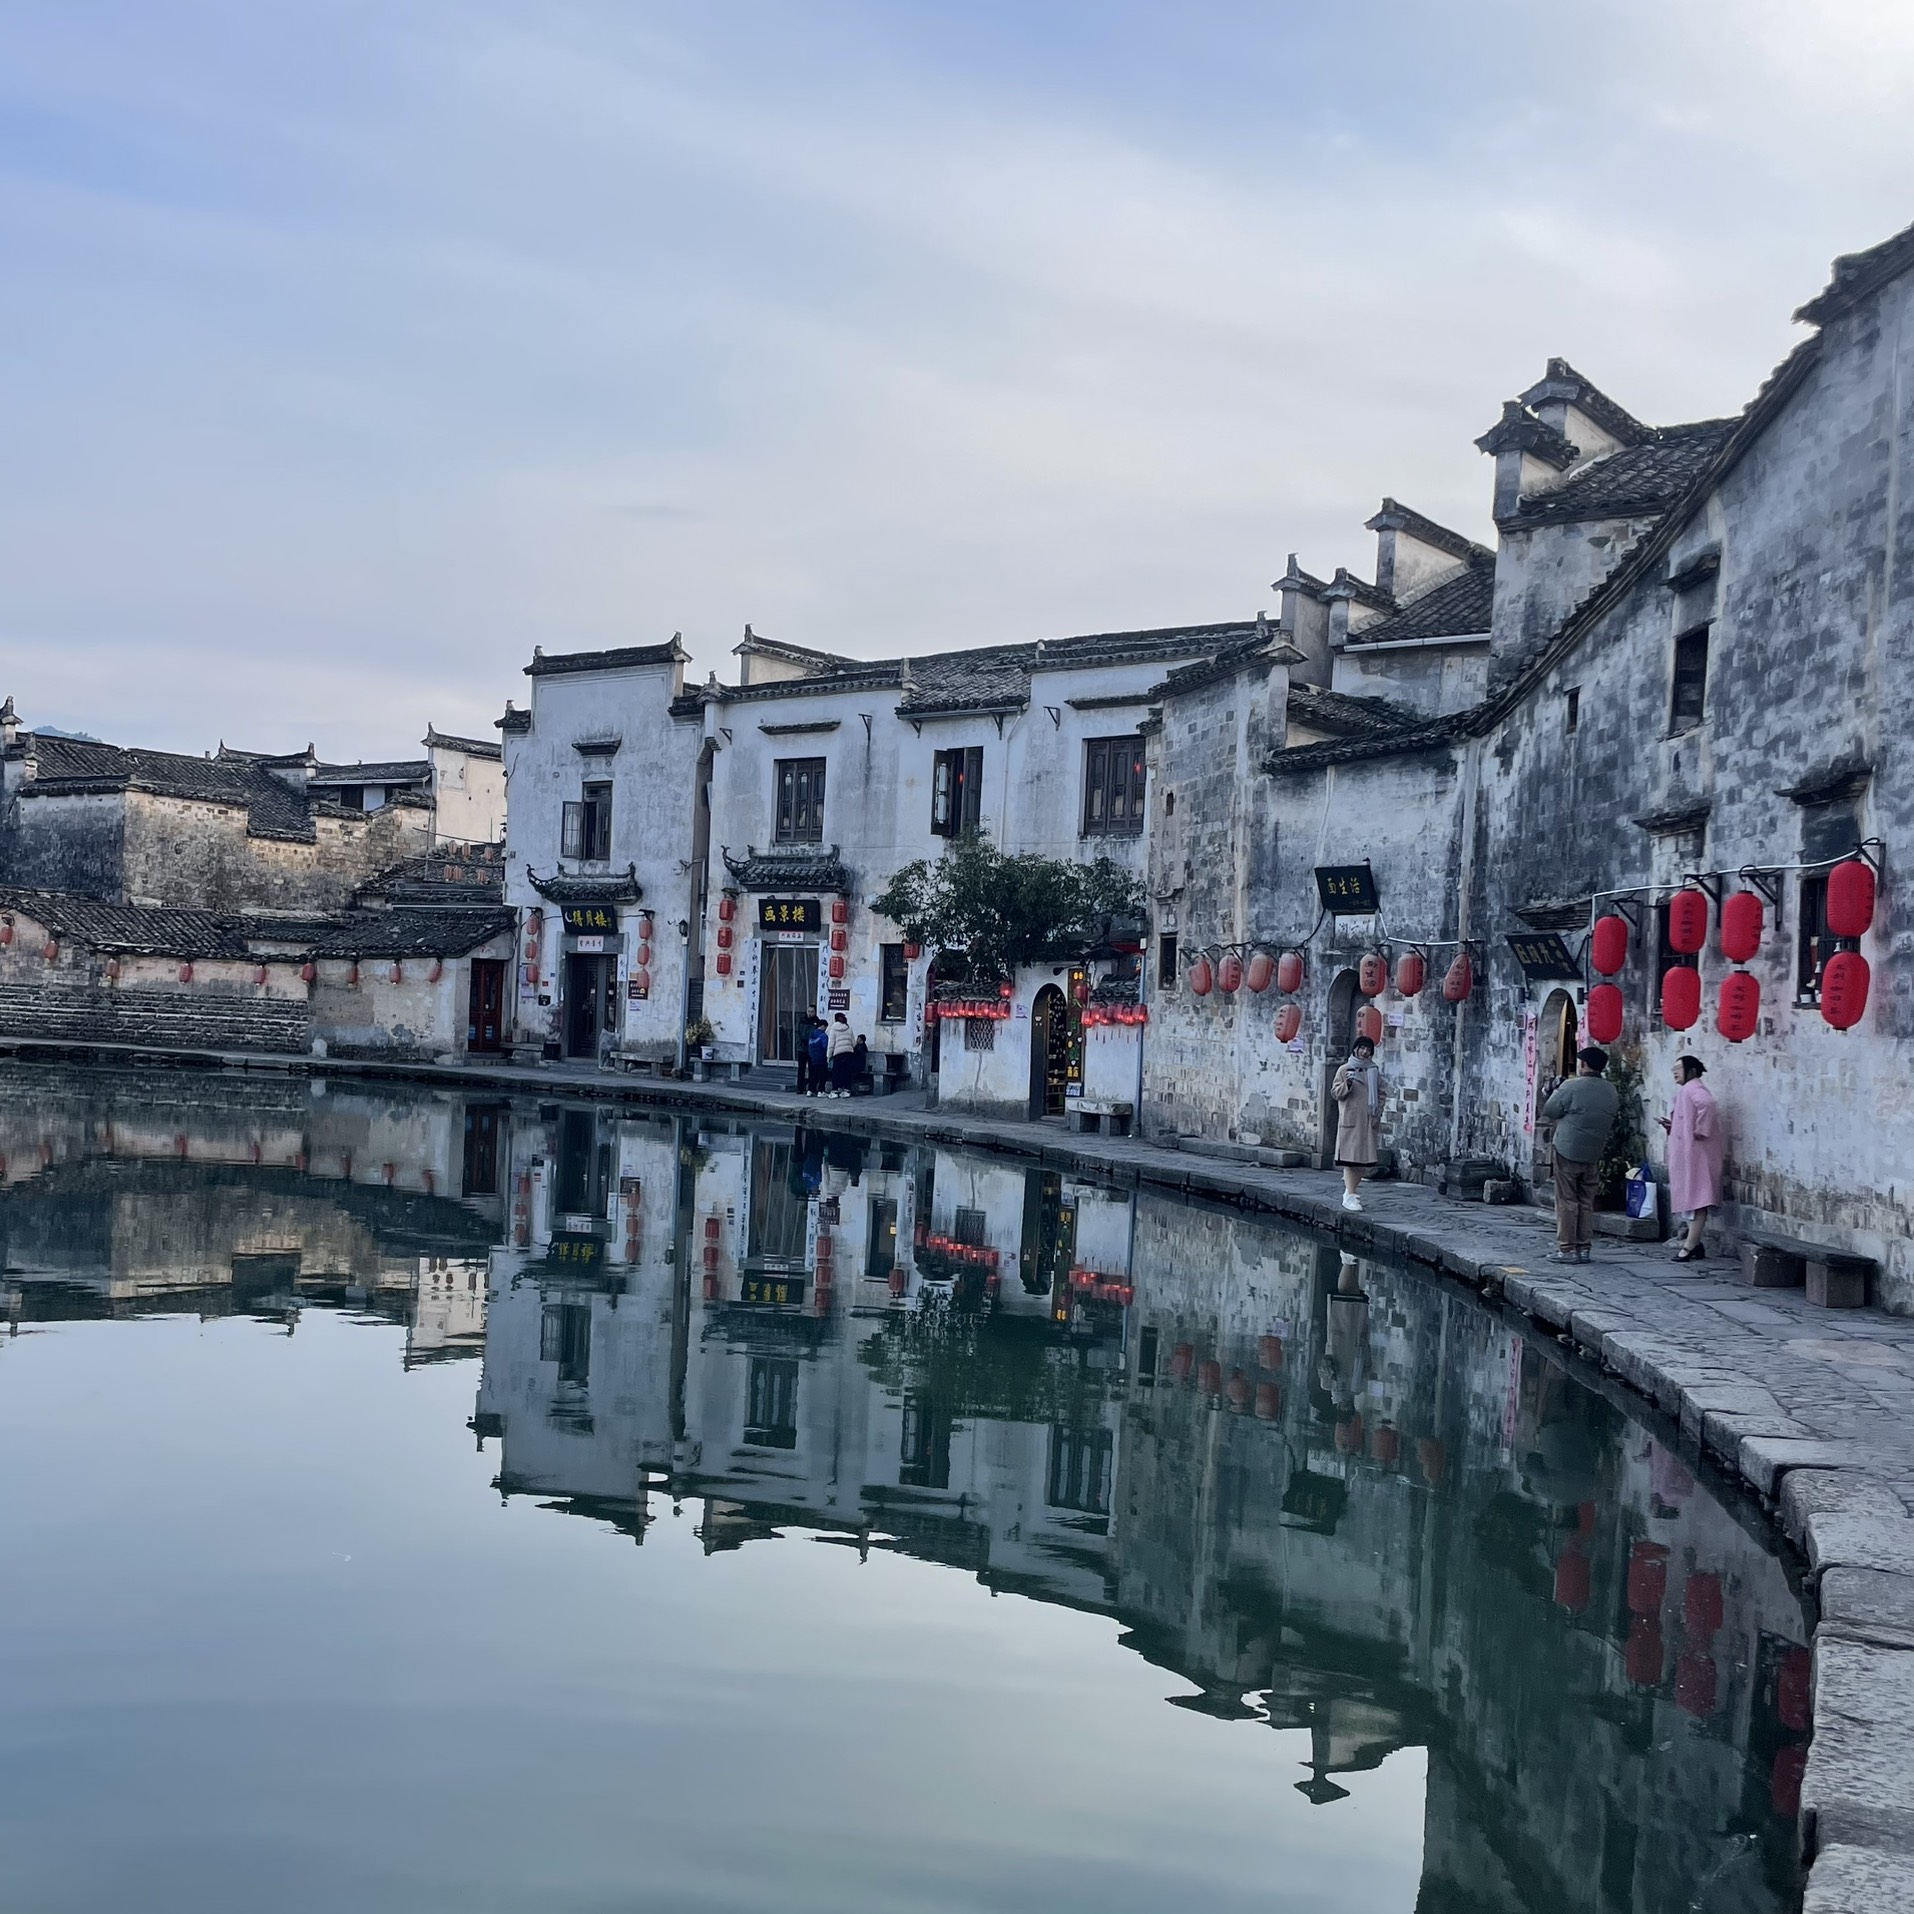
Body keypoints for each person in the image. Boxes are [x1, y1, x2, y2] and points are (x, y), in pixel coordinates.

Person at [1541, 1044, 1620, 1264]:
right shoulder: (1610, 1090)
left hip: (1567, 1148)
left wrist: (1553, 1091)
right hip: (1593, 1150)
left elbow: (1550, 1110)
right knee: (1586, 1200)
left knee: (1567, 1200)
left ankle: (1567, 1248)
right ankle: (1584, 1247)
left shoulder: (1571, 1086)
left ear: (1584, 1065)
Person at [1659, 1054, 1724, 1261]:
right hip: (1689, 1151)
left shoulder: (1693, 1088)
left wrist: (1701, 1129)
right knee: (1691, 1196)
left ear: (1692, 1070)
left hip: (1697, 1153)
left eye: (1679, 1068)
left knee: (1697, 1197)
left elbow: (1708, 1104)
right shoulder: (1687, 1090)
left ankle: (1689, 1246)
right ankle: (1694, 1242)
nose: (1675, 1072)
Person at [1330, 1035, 1382, 1212]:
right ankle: (1350, 1195)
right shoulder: (1345, 1069)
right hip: (1351, 1120)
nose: (1364, 1052)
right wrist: (1348, 1085)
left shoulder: (1373, 1071)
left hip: (1368, 1120)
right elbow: (1335, 1092)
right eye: (1362, 1048)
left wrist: (1378, 1112)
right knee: (1351, 1160)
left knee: (1363, 1162)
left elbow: (1381, 1092)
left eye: (1368, 1049)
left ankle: (1349, 1192)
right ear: (1355, 1049)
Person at [826, 1011, 857, 1097]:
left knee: (836, 1073)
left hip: (838, 1053)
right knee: (847, 1072)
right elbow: (853, 1043)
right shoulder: (848, 1028)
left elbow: (831, 1044)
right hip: (848, 1053)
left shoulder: (833, 1029)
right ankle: (847, 1090)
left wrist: (829, 1056)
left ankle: (835, 1090)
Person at [805, 1016, 830, 1097]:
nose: (825, 1029)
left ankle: (810, 1090)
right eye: (825, 1027)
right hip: (821, 1058)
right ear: (823, 1026)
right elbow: (825, 1046)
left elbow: (809, 1045)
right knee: (822, 1075)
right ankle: (821, 1091)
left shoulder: (811, 1034)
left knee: (813, 1074)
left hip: (812, 1057)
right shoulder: (823, 1036)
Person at [794, 1014, 816, 1096]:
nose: (810, 1013)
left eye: (812, 1012)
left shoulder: (816, 1021)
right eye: (808, 1011)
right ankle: (799, 1088)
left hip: (811, 1049)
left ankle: (811, 1088)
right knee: (801, 1069)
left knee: (812, 1069)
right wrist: (799, 1043)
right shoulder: (801, 1020)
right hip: (802, 1048)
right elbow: (797, 1032)